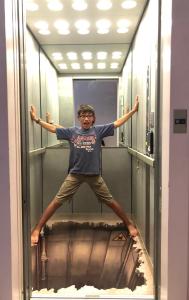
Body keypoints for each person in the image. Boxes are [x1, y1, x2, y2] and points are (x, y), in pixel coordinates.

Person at [30, 96, 139, 246]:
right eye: (83, 116)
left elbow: (117, 123)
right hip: (75, 175)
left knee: (110, 201)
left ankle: (129, 224)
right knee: (56, 201)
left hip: (94, 175)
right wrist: (37, 120)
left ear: (93, 118)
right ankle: (37, 228)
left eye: (89, 115)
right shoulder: (72, 132)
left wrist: (132, 111)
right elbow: (53, 129)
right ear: (79, 118)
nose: (86, 118)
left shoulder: (98, 131)